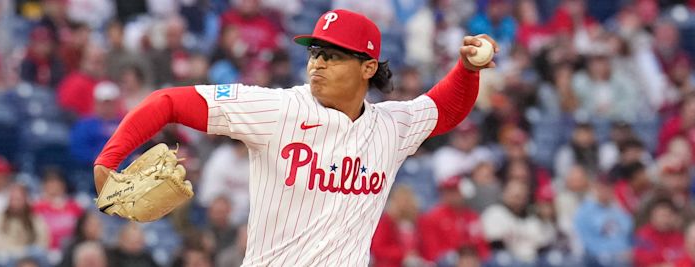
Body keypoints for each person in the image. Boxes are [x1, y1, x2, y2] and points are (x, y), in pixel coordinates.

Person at [93, 9, 496, 266]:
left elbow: (444, 109)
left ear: (368, 67)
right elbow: (166, 102)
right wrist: (108, 161)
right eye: (315, 52)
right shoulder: (277, 109)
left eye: (333, 56)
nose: (318, 63)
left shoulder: (393, 126)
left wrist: (467, 70)